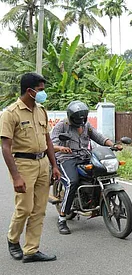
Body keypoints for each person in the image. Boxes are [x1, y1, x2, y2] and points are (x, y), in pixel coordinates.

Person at [0, 72, 61, 263]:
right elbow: (6, 147)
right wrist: (16, 176)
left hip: (43, 162)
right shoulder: (11, 113)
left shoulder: (41, 110)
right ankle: (13, 239)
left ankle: (31, 250)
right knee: (25, 208)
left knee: (39, 209)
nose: (43, 93)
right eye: (40, 90)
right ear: (29, 91)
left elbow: (48, 140)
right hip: (23, 164)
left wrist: (54, 165)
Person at [51, 100, 122, 235]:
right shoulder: (61, 126)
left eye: (82, 118)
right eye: (77, 118)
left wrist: (112, 145)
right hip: (66, 159)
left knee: (101, 173)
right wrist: (61, 148)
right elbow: (50, 144)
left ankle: (94, 200)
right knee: (72, 182)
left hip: (85, 156)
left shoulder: (86, 125)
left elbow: (98, 137)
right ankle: (61, 218)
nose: (80, 121)